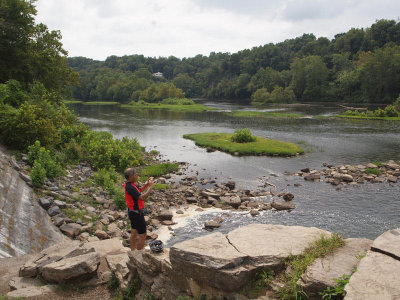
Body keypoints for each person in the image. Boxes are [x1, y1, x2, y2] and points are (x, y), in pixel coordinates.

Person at [124, 167, 154, 251]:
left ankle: (132, 250)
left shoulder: (129, 184)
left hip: (132, 212)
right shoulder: (130, 187)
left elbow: (139, 190)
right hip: (137, 214)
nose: (137, 175)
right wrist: (150, 187)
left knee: (134, 231)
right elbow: (142, 197)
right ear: (130, 177)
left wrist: (147, 184)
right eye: (135, 174)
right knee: (143, 235)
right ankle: (139, 253)